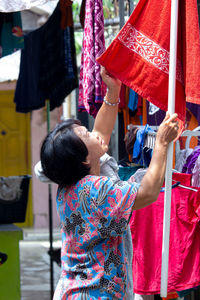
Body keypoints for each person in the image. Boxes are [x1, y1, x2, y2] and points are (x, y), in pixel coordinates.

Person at [40, 66, 179, 299]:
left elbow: (100, 135)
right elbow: (147, 192)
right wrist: (162, 144)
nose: (94, 133)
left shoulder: (71, 184)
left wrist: (113, 92)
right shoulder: (96, 190)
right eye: (87, 134)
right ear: (84, 158)